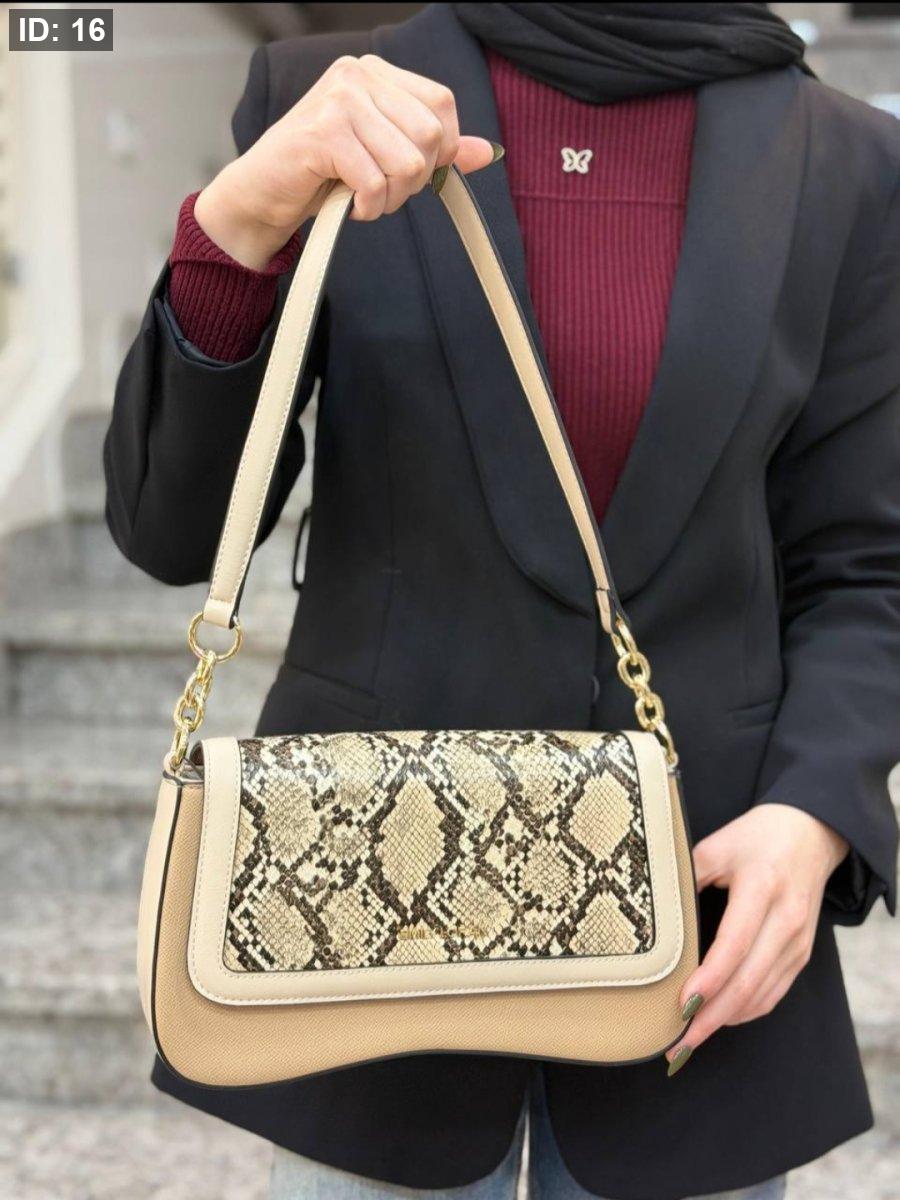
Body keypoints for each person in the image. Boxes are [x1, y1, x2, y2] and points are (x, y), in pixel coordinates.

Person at [104, 4, 899, 1199]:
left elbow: (868, 561)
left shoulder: (844, 160)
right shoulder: (330, 96)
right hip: (366, 903)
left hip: (702, 909)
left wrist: (818, 809)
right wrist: (240, 222)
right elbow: (169, 529)